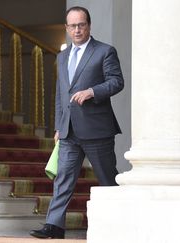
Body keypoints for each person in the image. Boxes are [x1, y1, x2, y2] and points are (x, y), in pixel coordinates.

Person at [29, 6, 124, 239]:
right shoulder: (62, 56)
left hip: (97, 130)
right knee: (63, 178)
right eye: (73, 26)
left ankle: (121, 223)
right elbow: (61, 95)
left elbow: (116, 82)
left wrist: (92, 91)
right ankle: (54, 226)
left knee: (107, 178)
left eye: (81, 24)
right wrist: (58, 127)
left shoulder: (104, 51)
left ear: (89, 26)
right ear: (67, 28)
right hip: (69, 131)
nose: (77, 29)